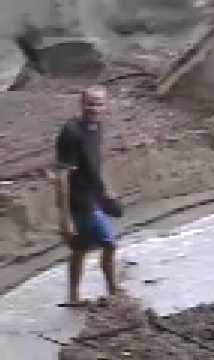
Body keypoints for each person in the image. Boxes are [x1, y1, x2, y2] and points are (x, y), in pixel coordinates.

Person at [55, 85, 120, 305]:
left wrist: (106, 188)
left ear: (106, 105)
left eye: (99, 103)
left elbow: (94, 161)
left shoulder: (97, 126)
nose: (94, 108)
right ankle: (112, 290)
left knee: (81, 249)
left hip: (94, 195)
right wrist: (65, 218)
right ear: (81, 104)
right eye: (90, 103)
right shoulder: (71, 132)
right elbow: (62, 176)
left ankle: (77, 295)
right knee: (107, 244)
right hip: (79, 201)